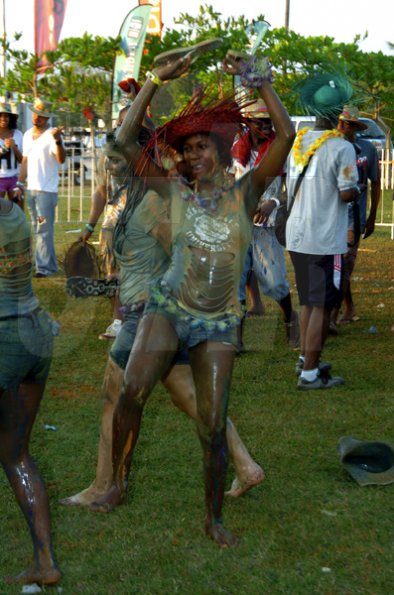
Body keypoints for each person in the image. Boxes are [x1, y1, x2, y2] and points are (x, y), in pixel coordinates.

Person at [90, 46, 294, 548]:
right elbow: (120, 146)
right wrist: (154, 82)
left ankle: (213, 518)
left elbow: (286, 135)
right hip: (168, 309)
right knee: (132, 391)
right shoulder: (172, 193)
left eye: (203, 146)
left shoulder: (244, 196)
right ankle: (113, 483)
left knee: (212, 424)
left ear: (221, 154)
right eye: (188, 148)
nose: (193, 154)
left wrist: (259, 79)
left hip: (220, 321)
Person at [60, 138, 264, 508]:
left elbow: (185, 253)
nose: (112, 165)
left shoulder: (155, 202)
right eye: (109, 160)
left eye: (120, 159)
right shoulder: (128, 198)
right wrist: (92, 285)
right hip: (147, 310)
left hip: (151, 315)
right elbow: (135, 267)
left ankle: (104, 485)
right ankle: (246, 465)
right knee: (187, 394)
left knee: (115, 396)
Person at [0, 197, 61, 586]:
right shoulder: (13, 210)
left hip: (5, 336)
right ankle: (45, 562)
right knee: (15, 453)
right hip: (35, 331)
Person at [285, 74, 359, 390]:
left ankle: (307, 357)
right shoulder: (341, 148)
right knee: (321, 306)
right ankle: (310, 374)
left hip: (297, 234)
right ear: (337, 114)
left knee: (307, 301)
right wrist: (355, 188)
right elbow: (346, 193)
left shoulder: (298, 141)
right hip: (324, 237)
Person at [232, 99, 299, 349]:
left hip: (265, 226)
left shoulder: (279, 150)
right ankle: (237, 339)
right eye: (259, 121)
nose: (266, 126)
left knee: (275, 281)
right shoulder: (236, 149)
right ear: (248, 123)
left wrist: (272, 201)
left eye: (268, 121)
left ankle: (291, 320)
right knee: (235, 282)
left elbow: (290, 189)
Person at [330, 105, 380, 333]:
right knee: (337, 265)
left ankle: (332, 315)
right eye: (340, 122)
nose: (342, 127)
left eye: (347, 124)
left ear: (354, 127)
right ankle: (348, 307)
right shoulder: (330, 148)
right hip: (331, 215)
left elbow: (376, 183)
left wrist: (372, 217)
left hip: (354, 217)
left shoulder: (367, 149)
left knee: (344, 264)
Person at [15, 97, 66, 278]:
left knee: (43, 229)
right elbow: (25, 161)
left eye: (42, 116)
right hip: (32, 190)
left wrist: (58, 141)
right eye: (36, 114)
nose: (37, 117)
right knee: (41, 229)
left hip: (46, 191)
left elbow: (61, 159)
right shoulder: (28, 134)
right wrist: (20, 184)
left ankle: (43, 268)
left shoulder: (52, 135)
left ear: (47, 118)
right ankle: (49, 265)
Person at [0, 101, 24, 208]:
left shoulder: (18, 134)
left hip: (15, 178)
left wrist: (14, 147)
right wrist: (4, 149)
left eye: (6, 116)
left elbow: (22, 160)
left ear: (11, 118)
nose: (3, 119)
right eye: (0, 116)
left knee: (18, 211)